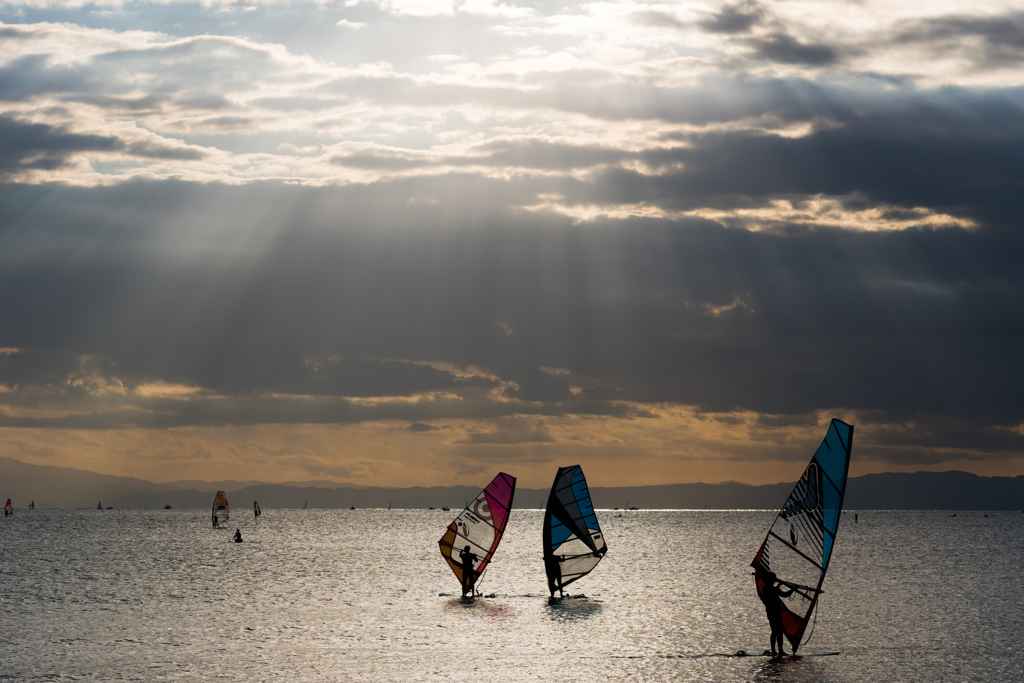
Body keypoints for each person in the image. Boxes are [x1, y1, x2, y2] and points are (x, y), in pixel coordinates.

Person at [756, 569, 793, 656]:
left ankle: (777, 651)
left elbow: (781, 593)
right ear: (771, 580)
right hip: (774, 612)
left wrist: (789, 589)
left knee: (777, 631)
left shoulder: (768, 588)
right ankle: (777, 651)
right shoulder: (769, 589)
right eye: (774, 579)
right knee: (777, 631)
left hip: (773, 612)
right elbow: (783, 594)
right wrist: (792, 590)